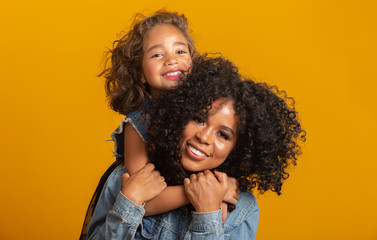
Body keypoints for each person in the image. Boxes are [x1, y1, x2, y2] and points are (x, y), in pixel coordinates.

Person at [87, 56, 306, 239]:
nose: (204, 136)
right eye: (199, 119)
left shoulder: (241, 209)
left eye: (223, 134)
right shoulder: (127, 180)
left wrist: (208, 214)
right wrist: (130, 202)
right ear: (179, 115)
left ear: (238, 149)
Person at [102, 9, 239, 218]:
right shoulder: (138, 123)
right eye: (157, 54)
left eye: (180, 51)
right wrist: (204, 192)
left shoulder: (203, 110)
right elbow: (140, 201)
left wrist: (221, 186)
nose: (171, 60)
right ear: (140, 74)